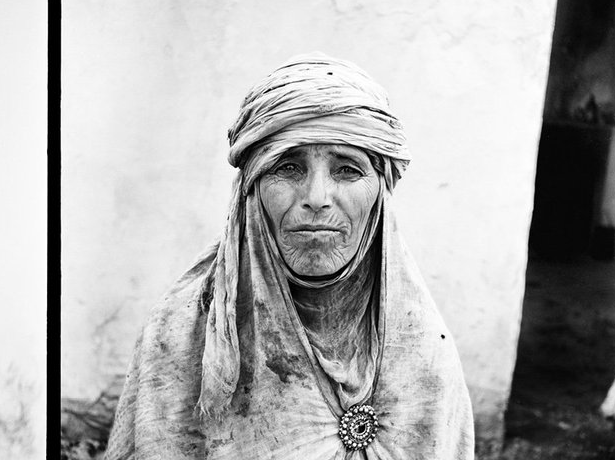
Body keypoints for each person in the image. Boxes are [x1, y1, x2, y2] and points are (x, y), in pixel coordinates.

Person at [107, 55, 474, 458]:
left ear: (380, 191)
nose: (317, 199)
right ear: (251, 187)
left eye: (348, 170)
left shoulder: (421, 348)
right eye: (288, 167)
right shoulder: (183, 333)